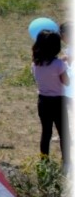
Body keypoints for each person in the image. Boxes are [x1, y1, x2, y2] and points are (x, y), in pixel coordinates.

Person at [32, 29, 68, 166]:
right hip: (58, 101)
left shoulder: (35, 64)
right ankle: (66, 161)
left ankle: (44, 161)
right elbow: (66, 82)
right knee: (63, 132)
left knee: (46, 132)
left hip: (43, 100)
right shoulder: (59, 64)